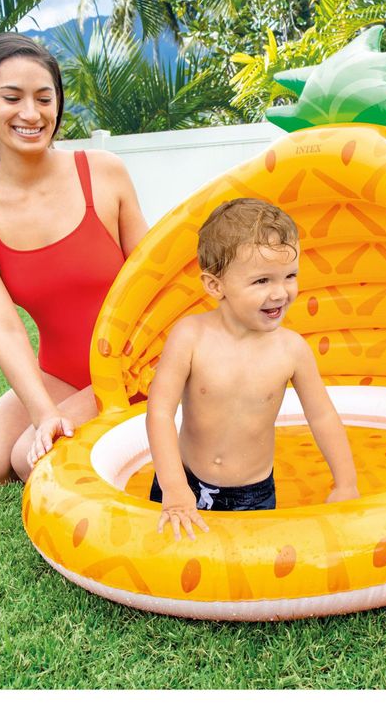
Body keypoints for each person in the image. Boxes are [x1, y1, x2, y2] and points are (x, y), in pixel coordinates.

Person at [0, 32, 148, 486]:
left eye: (44, 98)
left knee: (29, 460)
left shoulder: (103, 172)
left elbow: (151, 280)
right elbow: (3, 325)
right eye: (12, 98)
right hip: (60, 371)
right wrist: (43, 411)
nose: (31, 113)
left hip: (132, 364)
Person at [145, 198, 359, 540]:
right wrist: (174, 487)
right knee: (168, 559)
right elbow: (159, 411)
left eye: (290, 276)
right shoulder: (190, 337)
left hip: (251, 495)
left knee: (249, 568)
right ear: (215, 285)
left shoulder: (291, 350)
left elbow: (322, 417)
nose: (280, 293)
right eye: (262, 281)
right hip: (183, 479)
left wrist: (346, 483)